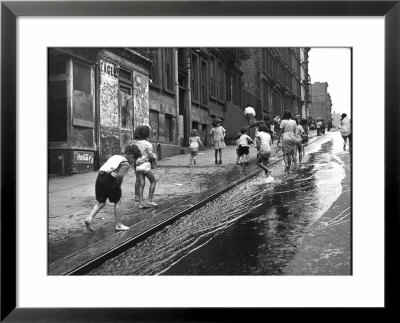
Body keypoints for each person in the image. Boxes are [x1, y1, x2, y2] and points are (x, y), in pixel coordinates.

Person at [84, 145, 142, 232]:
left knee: (101, 202)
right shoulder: (125, 163)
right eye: (134, 160)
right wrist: (118, 187)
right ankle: (118, 225)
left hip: (100, 177)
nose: (133, 162)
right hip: (109, 178)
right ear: (131, 156)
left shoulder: (116, 156)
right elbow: (119, 176)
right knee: (118, 201)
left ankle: (89, 218)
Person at [134, 125, 158, 208]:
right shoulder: (148, 144)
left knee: (141, 184)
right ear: (148, 134)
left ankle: (140, 203)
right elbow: (151, 155)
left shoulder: (136, 143)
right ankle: (150, 201)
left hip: (138, 166)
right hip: (145, 166)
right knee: (153, 181)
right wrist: (154, 161)